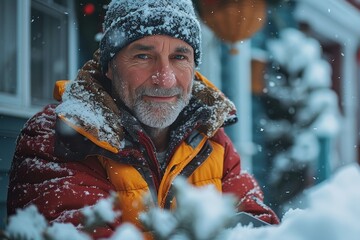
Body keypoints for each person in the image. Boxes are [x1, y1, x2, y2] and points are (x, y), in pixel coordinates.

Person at [7, 0, 279, 238]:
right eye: (143, 56)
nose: (165, 78)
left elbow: (257, 228)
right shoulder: (61, 135)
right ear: (110, 67)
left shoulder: (209, 136)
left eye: (179, 57)